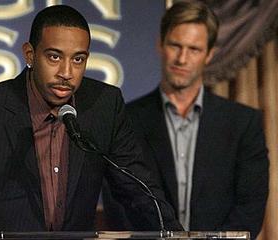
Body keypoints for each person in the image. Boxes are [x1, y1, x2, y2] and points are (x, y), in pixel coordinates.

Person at [0, 5, 182, 232]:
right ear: (30, 54)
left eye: (78, 59)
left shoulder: (104, 105)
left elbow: (142, 193)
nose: (66, 73)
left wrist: (177, 237)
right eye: (54, 57)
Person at [103, 1, 269, 239]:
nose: (182, 58)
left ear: (209, 54)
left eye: (194, 49)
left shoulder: (244, 123)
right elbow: (119, 205)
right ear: (160, 45)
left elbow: (250, 207)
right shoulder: (125, 120)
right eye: (175, 45)